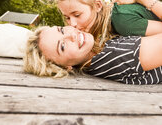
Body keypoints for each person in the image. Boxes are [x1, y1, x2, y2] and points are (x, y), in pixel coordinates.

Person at [24, 25, 162, 85]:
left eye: (62, 30)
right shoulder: (120, 54)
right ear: (66, 67)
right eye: (62, 46)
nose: (71, 35)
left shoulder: (96, 58)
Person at [52, 0, 162, 48]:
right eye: (67, 17)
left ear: (97, 6)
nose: (72, 24)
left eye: (77, 15)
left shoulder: (121, 20)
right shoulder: (107, 26)